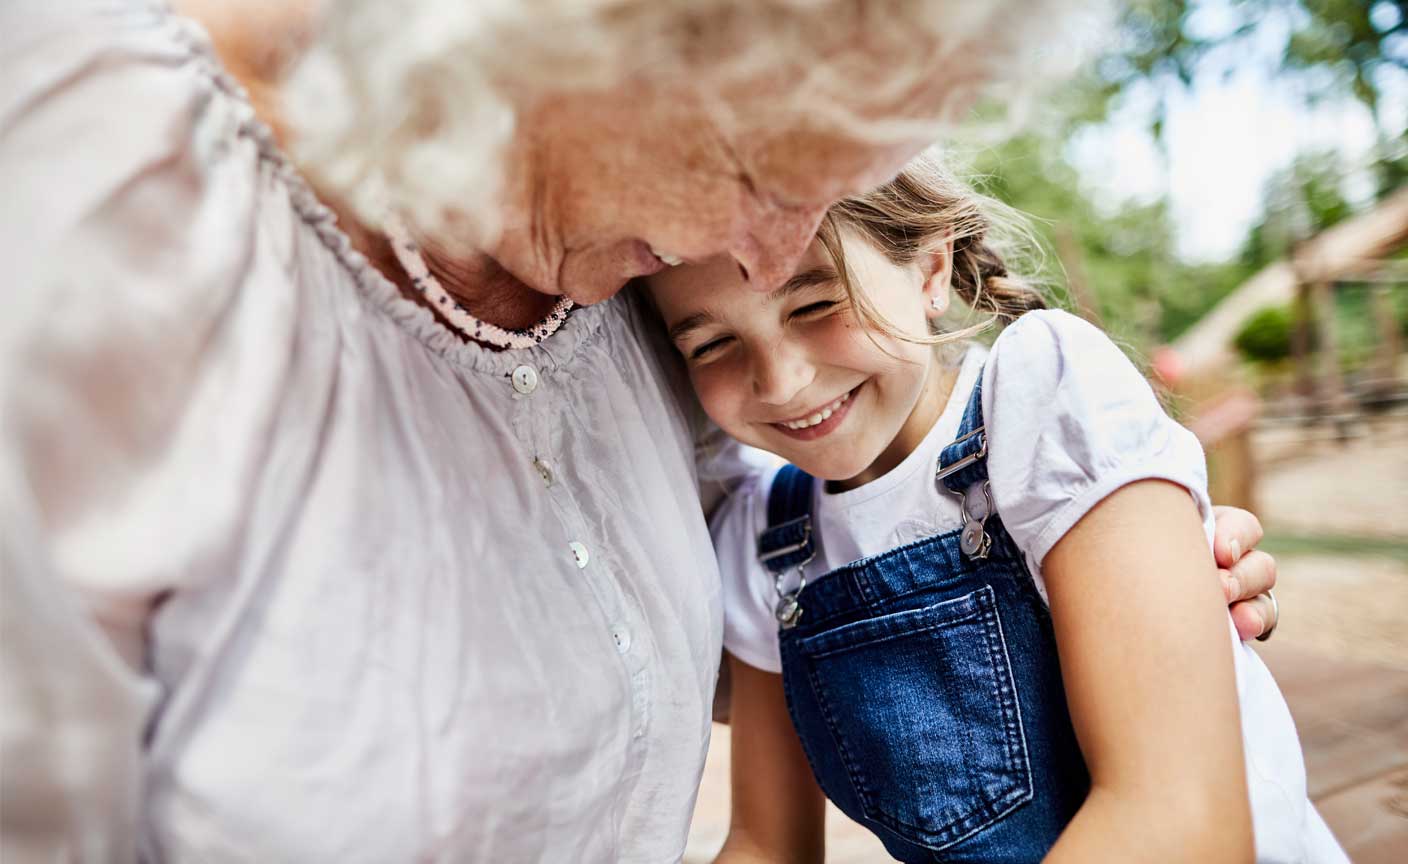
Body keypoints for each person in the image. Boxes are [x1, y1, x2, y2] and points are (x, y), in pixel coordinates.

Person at [0, 1, 1282, 860]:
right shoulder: (93, 193)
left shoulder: (633, 268)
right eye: (761, 168)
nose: (764, 257)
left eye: (830, 198)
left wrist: (1116, 589)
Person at [646, 155, 1342, 862]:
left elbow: (1179, 821)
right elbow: (767, 845)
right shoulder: (766, 543)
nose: (780, 380)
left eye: (816, 303)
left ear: (930, 271)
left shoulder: (1044, 394)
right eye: (711, 344)